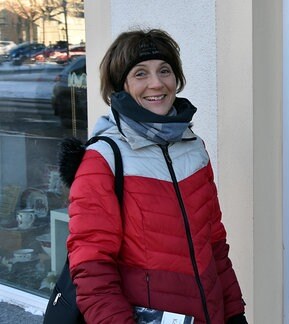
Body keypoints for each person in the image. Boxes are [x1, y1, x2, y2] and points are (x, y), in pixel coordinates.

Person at [64, 28, 247, 324]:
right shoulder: (104, 158)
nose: (156, 83)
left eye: (165, 70)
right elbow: (91, 267)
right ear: (120, 86)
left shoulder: (193, 148)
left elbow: (214, 244)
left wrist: (234, 312)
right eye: (140, 74)